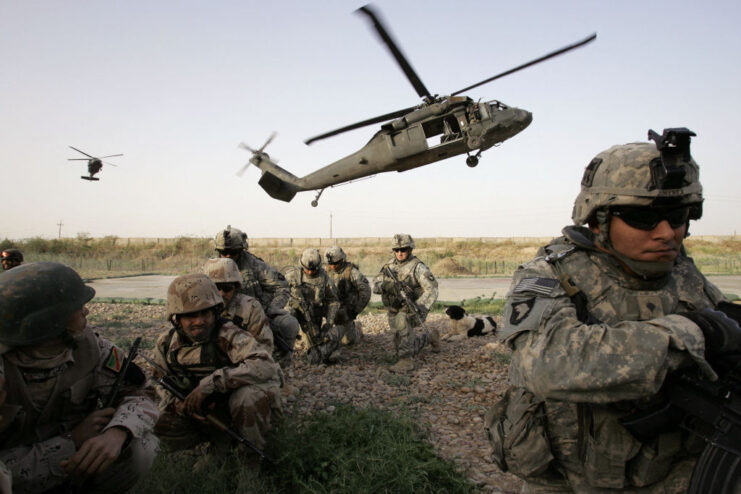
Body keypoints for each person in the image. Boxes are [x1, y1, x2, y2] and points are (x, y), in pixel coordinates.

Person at [488, 128, 741, 493]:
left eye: (679, 215)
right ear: (598, 220)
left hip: (671, 472)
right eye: (644, 219)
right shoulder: (551, 273)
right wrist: (691, 333)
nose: (667, 232)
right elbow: (546, 363)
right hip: (574, 481)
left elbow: (719, 323)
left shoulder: (681, 270)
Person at [0, 262, 159, 494]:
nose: (86, 311)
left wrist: (119, 431)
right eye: (77, 307)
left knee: (141, 446)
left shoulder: (90, 347)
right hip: (16, 472)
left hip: (76, 463)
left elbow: (144, 394)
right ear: (49, 323)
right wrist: (70, 442)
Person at [153, 273, 282, 463]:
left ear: (215, 312)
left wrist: (214, 383)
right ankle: (208, 449)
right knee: (154, 418)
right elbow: (157, 381)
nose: (199, 321)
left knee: (248, 397)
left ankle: (250, 463)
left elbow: (265, 364)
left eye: (205, 313)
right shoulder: (166, 344)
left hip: (234, 409)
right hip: (202, 415)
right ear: (176, 319)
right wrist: (178, 404)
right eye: (190, 315)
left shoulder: (228, 334)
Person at [215, 225, 299, 364]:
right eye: (224, 253)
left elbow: (281, 287)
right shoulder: (211, 268)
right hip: (221, 317)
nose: (228, 256)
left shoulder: (255, 265)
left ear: (241, 250)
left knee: (288, 324)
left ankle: (275, 367)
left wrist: (268, 310)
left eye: (233, 252)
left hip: (254, 316)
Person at [372, 234, 439, 373]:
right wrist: (387, 286)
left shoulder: (418, 267)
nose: (400, 253)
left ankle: (406, 361)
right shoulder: (388, 266)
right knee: (402, 345)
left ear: (410, 250)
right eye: (397, 250)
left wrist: (421, 306)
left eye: (403, 249)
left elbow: (432, 289)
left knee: (403, 331)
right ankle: (430, 338)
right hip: (394, 308)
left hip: (412, 308)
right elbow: (375, 286)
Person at [202, 257, 275, 351]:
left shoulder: (250, 308)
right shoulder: (197, 308)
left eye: (227, 288)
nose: (221, 293)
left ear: (236, 287)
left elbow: (264, 349)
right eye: (216, 287)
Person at [284, 249, 342, 365]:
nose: (310, 273)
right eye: (307, 269)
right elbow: (279, 294)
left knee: (315, 352)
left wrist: (329, 322)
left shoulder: (323, 278)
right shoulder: (291, 276)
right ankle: (284, 350)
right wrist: (292, 303)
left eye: (313, 270)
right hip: (295, 312)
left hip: (313, 316)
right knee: (286, 316)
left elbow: (333, 301)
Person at [324, 246, 371, 346]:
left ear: (342, 260)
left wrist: (355, 310)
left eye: (335, 263)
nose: (332, 266)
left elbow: (365, 291)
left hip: (345, 310)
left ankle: (357, 329)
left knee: (348, 342)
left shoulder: (351, 272)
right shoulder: (325, 272)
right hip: (330, 308)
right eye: (330, 264)